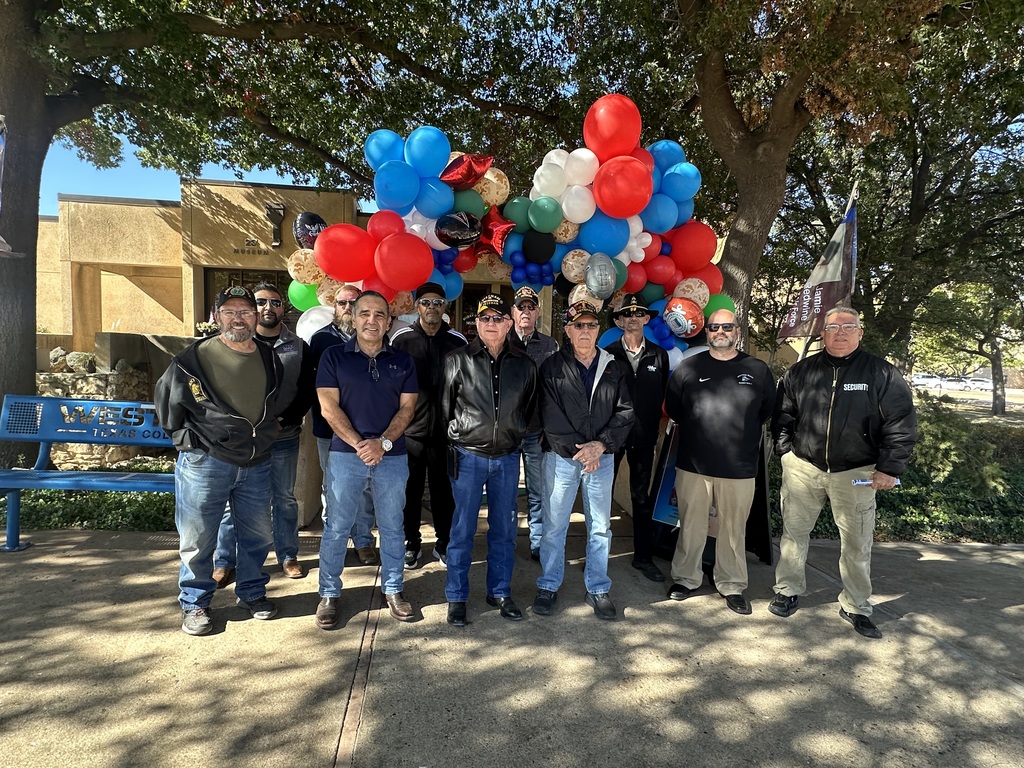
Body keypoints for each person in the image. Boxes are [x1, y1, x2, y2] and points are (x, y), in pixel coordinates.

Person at [770, 306, 916, 639]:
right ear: (822, 333)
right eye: (833, 327)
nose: (840, 332)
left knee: (856, 542)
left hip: (857, 472)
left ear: (860, 333)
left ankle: (856, 605)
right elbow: (783, 415)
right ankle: (788, 589)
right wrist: (785, 452)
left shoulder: (881, 373)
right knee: (793, 533)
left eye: (849, 326)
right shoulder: (801, 371)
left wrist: (889, 468)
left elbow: (901, 423)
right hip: (804, 467)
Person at [155, 285, 284, 636]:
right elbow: (168, 406)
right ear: (216, 317)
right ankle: (196, 602)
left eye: (245, 311)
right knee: (199, 538)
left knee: (257, 534)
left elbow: (273, 399)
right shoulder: (191, 360)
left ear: (256, 317)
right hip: (206, 462)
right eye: (229, 311)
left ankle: (253, 592)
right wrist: (189, 443)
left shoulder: (269, 356)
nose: (238, 317)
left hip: (256, 461)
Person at [315, 290, 418, 628]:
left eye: (379, 315)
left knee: (392, 526)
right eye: (365, 314)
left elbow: (407, 409)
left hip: (392, 456)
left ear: (389, 321)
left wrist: (383, 443)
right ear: (353, 317)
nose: (372, 320)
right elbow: (328, 408)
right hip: (347, 455)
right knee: (337, 527)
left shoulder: (402, 361)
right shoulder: (333, 356)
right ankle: (329, 594)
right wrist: (362, 444)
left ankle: (393, 589)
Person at [663, 309, 775, 615]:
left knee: (733, 530)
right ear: (707, 332)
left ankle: (732, 584)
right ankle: (686, 578)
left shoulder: (758, 370)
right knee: (690, 526)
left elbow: (765, 412)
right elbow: (674, 408)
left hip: (739, 468)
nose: (720, 331)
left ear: (737, 330)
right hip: (693, 465)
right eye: (715, 327)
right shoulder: (689, 368)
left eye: (727, 326)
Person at [441, 294, 539, 627]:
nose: (491, 324)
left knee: (504, 530)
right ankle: (456, 596)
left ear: (510, 323)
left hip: (507, 459)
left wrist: (514, 434)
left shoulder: (524, 364)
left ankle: (499, 591)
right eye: (485, 318)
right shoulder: (457, 360)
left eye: (498, 318)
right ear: (477, 323)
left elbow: (529, 409)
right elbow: (445, 410)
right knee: (462, 530)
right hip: (468, 456)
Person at [533, 300, 634, 621]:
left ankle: (598, 587)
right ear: (568, 330)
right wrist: (582, 450)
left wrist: (600, 446)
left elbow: (626, 411)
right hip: (562, 458)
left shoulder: (614, 366)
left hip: (601, 459)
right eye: (579, 325)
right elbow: (548, 413)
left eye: (591, 325)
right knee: (554, 526)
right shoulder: (551, 367)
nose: (585, 331)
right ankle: (548, 584)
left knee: (601, 528)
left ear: (599, 330)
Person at [213, 282, 315, 584]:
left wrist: (284, 420)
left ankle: (287, 556)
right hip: (240, 442)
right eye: (261, 302)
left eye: (275, 302)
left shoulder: (298, 347)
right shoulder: (234, 342)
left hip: (282, 438)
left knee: (284, 499)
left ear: (283, 308)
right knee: (234, 503)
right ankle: (224, 560)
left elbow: (306, 392)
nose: (268, 308)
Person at [390, 282, 467, 569]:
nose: (431, 308)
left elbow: (467, 386)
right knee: (408, 491)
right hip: (409, 432)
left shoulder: (457, 341)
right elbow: (390, 384)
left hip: (447, 433)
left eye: (437, 303)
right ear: (416, 305)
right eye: (425, 302)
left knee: (443, 492)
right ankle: (411, 542)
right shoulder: (401, 340)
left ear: (445, 307)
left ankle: (444, 542)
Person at [309, 284, 378, 566]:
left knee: (364, 488)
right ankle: (334, 539)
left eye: (353, 303)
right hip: (330, 432)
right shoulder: (321, 339)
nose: (347, 308)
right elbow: (312, 388)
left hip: (367, 432)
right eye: (342, 303)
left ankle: (363, 539)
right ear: (333, 306)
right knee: (333, 487)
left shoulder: (375, 340)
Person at [603, 293, 670, 583]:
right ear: (619, 320)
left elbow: (664, 396)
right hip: (611, 437)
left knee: (641, 498)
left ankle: (643, 557)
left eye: (638, 313)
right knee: (601, 497)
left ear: (645, 318)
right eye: (627, 314)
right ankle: (598, 557)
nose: (632, 318)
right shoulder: (606, 353)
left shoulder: (659, 355)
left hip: (643, 437)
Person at [507, 286, 558, 560]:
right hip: (508, 432)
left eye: (530, 307)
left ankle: (537, 542)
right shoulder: (502, 340)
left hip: (536, 431)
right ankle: (507, 540)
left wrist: (549, 431)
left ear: (537, 311)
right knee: (506, 492)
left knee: (538, 491)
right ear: (512, 312)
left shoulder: (549, 345)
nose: (526, 312)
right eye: (520, 307)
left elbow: (554, 392)